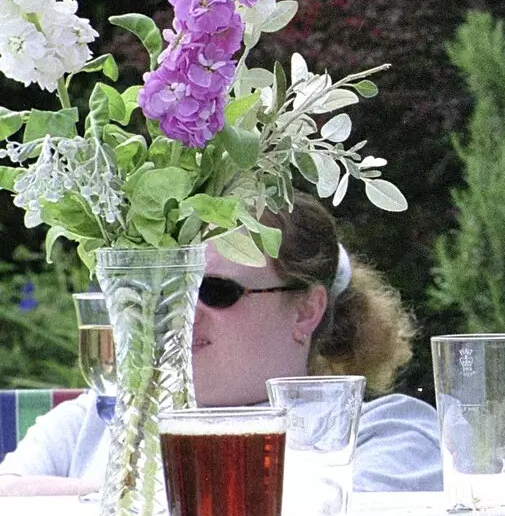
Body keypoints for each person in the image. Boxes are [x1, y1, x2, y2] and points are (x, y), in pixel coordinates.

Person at [0, 194, 442, 495]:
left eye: (215, 290)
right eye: (168, 289)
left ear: (307, 311)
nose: (181, 313)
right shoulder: (92, 420)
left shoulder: (387, 433)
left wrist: (112, 503)